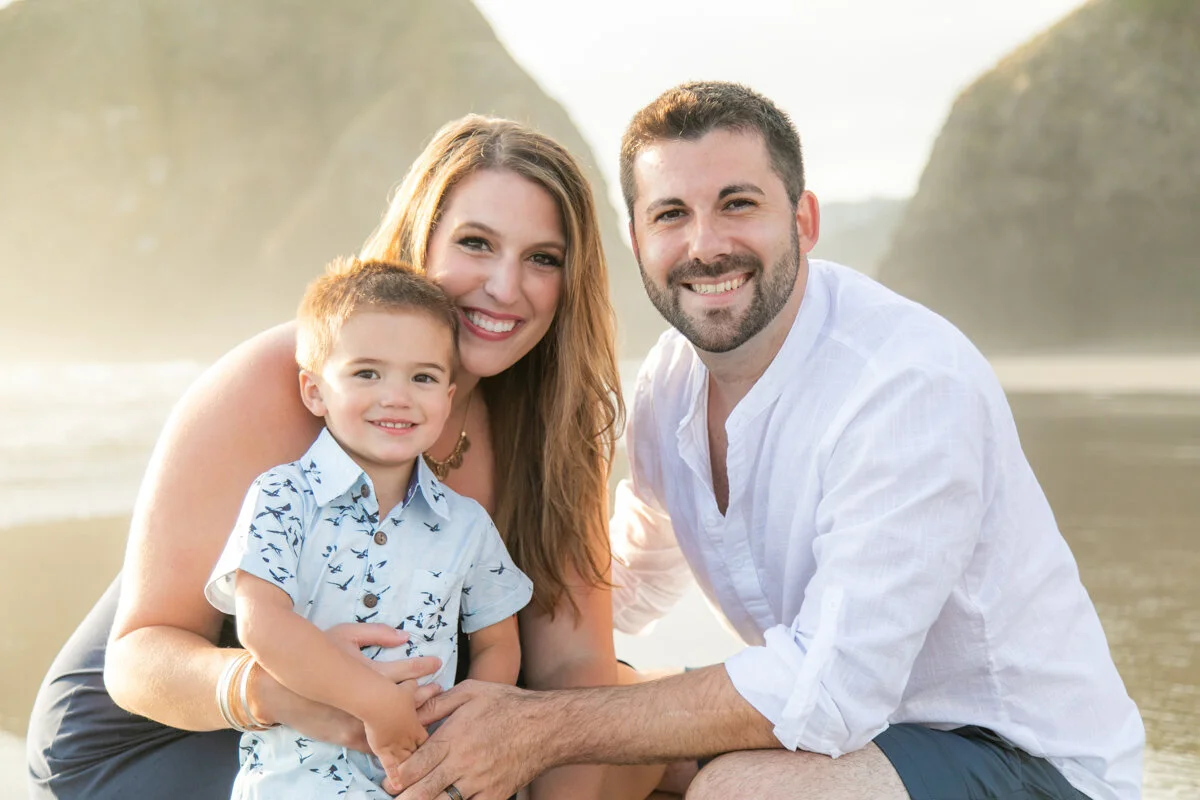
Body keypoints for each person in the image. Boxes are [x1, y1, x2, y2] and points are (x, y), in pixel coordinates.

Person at [387, 82, 1145, 800]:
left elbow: (832, 688)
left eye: (738, 204)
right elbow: (625, 582)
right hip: (848, 738)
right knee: (605, 720)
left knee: (739, 789)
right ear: (637, 241)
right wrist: (450, 636)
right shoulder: (667, 387)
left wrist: (536, 728)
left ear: (803, 221)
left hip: (1017, 758)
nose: (706, 245)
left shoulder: (905, 383)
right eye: (671, 214)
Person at [28, 116, 663, 800]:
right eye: (476, 243)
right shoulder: (286, 383)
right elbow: (137, 660)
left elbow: (571, 671)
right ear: (422, 239)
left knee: (633, 724)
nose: (506, 288)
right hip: (160, 736)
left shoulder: (555, 422)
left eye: (543, 258)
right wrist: (284, 692)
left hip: (385, 730)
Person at [204, 258, 532, 797]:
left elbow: (498, 641)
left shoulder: (467, 524)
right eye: (366, 373)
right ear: (315, 390)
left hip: (418, 781)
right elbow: (261, 624)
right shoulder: (283, 496)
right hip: (293, 785)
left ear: (448, 398)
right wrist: (375, 702)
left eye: (423, 377)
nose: (397, 396)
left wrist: (463, 737)